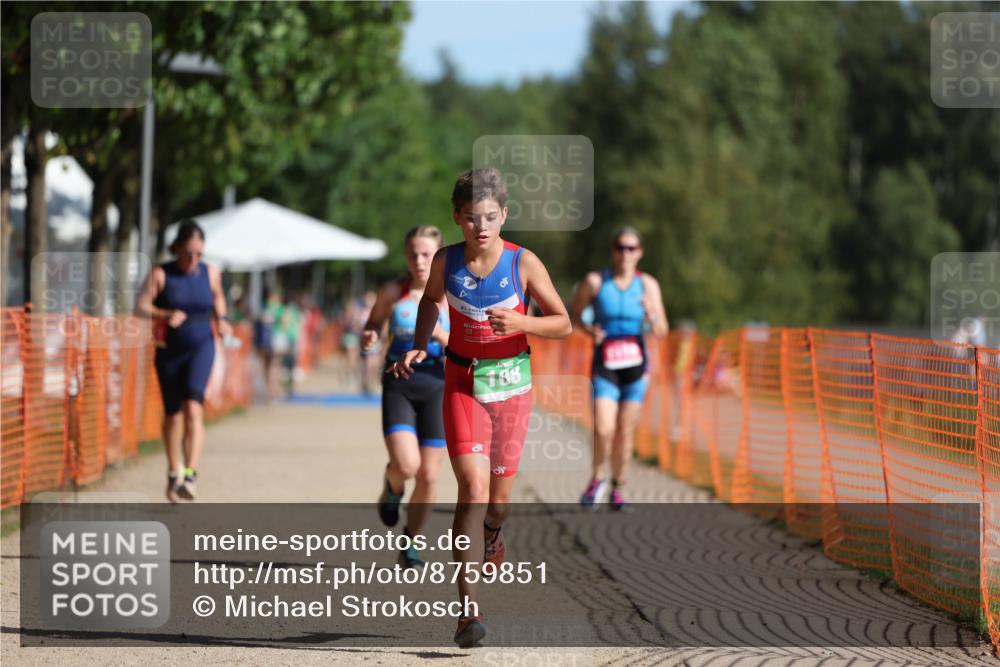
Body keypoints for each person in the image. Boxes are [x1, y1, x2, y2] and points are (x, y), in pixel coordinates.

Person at [390, 168, 571, 647]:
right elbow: (429, 302)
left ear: (504, 216)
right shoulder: (446, 263)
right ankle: (467, 612)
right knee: (470, 487)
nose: (481, 227)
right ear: (457, 218)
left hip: (512, 384)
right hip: (462, 380)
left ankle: (494, 531)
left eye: (490, 217)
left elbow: (563, 323)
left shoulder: (523, 262)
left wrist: (519, 322)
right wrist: (418, 343)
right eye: (472, 219)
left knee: (498, 502)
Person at [362, 226, 450, 570]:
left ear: (439, 255)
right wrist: (369, 336)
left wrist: (438, 332)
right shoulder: (392, 292)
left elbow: (466, 344)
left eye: (426, 254)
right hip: (399, 382)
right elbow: (373, 324)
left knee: (428, 475)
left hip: (438, 385)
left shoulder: (454, 294)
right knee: (407, 466)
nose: (419, 260)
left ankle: (411, 542)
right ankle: (392, 485)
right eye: (413, 253)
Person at [570, 226, 668, 512]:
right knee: (603, 426)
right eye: (620, 248)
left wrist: (651, 314)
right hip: (606, 363)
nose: (625, 254)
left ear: (640, 253)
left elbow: (662, 329)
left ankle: (619, 487)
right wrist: (588, 330)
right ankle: (597, 478)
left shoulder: (648, 285)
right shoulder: (596, 281)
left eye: (631, 248)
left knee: (625, 430)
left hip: (636, 367)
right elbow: (574, 315)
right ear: (613, 251)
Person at [137, 219, 232, 502]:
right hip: (169, 350)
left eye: (198, 253)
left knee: (194, 407)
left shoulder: (210, 273)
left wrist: (223, 321)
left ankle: (190, 475)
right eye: (188, 252)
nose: (193, 259)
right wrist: (165, 315)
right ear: (176, 248)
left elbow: (218, 299)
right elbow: (140, 306)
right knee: (173, 414)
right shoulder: (161, 274)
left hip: (202, 345)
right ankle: (172, 470)